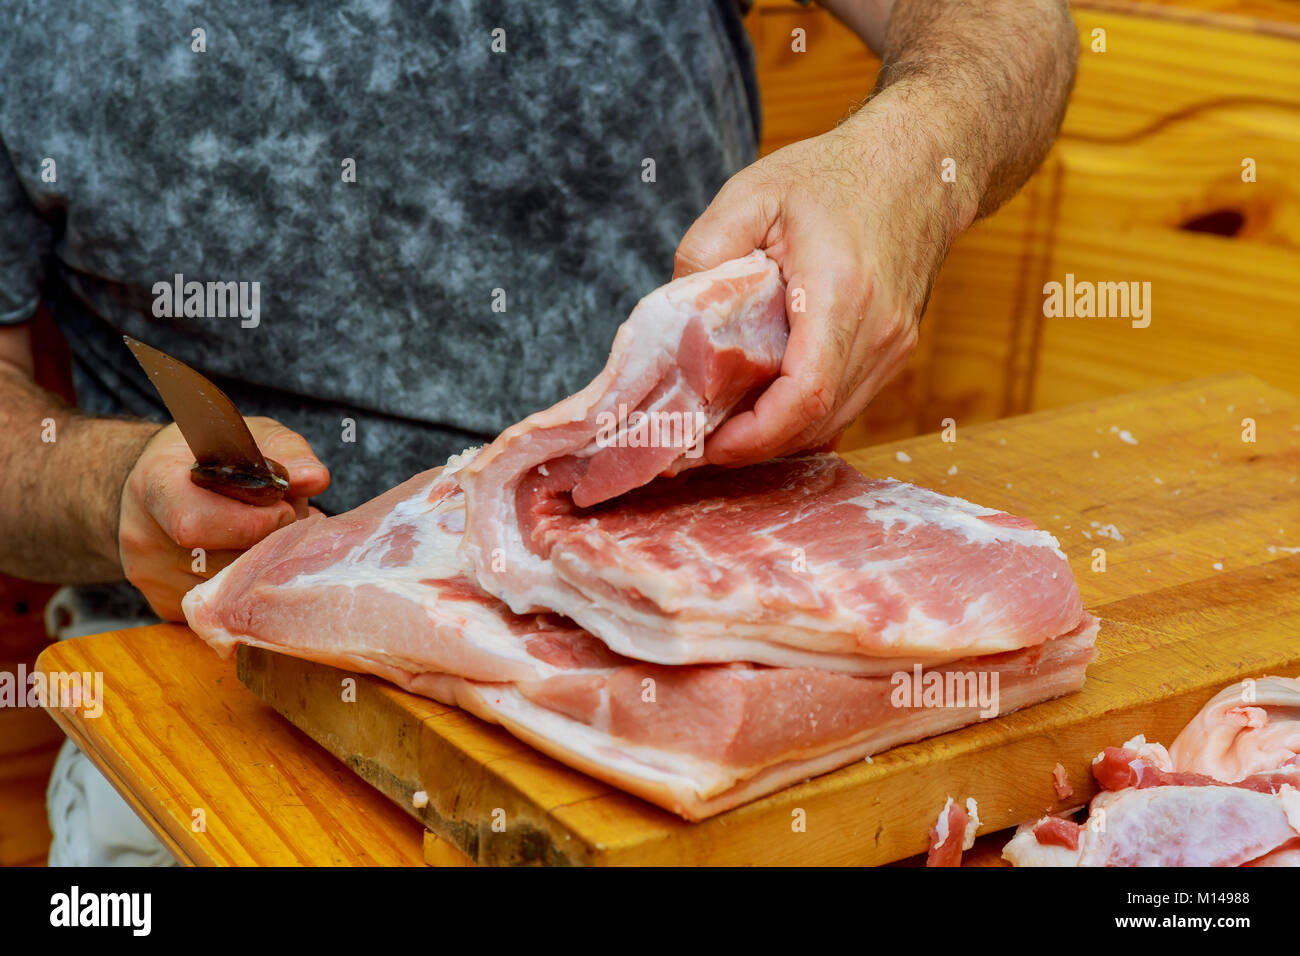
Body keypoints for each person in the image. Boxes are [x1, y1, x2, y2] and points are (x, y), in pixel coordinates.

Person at [0, 1, 1077, 864]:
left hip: (714, 595)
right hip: (211, 687)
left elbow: (1008, 20)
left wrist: (907, 154)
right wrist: (109, 488)